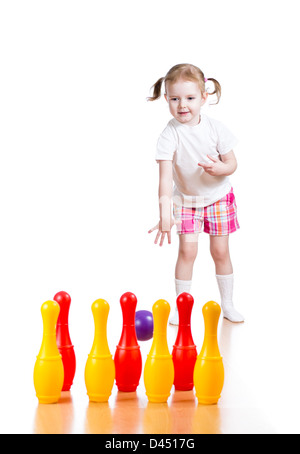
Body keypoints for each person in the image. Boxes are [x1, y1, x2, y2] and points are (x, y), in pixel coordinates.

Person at [148, 63, 244, 325]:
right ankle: (182, 308)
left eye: (190, 98)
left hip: (218, 199)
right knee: (187, 253)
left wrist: (219, 168)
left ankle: (228, 304)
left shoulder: (216, 128)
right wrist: (164, 214)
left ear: (203, 98)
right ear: (166, 98)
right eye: (175, 98)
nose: (182, 105)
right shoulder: (169, 135)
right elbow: (165, 178)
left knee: (220, 252)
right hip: (188, 202)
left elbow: (232, 164)